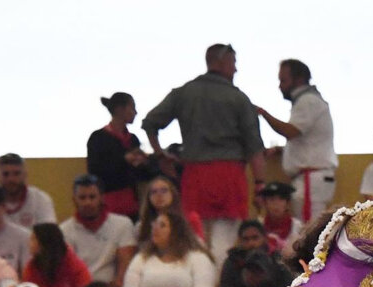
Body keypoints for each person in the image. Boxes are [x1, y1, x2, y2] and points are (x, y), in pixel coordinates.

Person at [142, 43, 267, 264]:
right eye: (233, 63)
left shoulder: (183, 93)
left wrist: (160, 154)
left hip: (194, 176)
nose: (235, 69)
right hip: (230, 176)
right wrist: (259, 185)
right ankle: (219, 283)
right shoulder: (238, 98)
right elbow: (255, 148)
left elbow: (150, 123)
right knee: (226, 244)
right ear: (221, 62)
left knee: (194, 240)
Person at [254, 59, 337, 222]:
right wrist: (282, 151)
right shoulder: (310, 101)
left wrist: (264, 114)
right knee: (307, 226)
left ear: (298, 79)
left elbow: (290, 131)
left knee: (309, 228)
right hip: (311, 178)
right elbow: (308, 141)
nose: (280, 86)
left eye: (283, 80)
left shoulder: (308, 101)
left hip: (311, 180)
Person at [59, 175, 137, 287]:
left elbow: (124, 270)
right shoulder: (64, 230)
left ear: (102, 198)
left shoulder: (123, 224)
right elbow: (68, 270)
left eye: (92, 197)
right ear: (74, 200)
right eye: (82, 198)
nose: (87, 202)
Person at [87, 92, 155, 219]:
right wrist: (124, 160)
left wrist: (144, 162)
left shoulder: (133, 139)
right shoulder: (98, 138)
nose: (135, 112)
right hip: (107, 202)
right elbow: (94, 170)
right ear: (119, 109)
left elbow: (140, 174)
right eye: (132, 108)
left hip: (131, 203)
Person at [21, 223, 92, 287]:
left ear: (44, 243)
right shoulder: (31, 267)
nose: (29, 243)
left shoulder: (75, 265)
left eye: (33, 239)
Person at [137, 175, 205, 243]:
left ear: (173, 194)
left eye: (164, 190)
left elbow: (199, 245)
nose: (159, 195)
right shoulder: (142, 225)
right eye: (154, 192)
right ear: (148, 198)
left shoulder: (190, 218)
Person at [0, 153, 57, 230]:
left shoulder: (40, 199)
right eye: (6, 174)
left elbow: (49, 233)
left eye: (16, 174)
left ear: (25, 175)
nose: (11, 179)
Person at [259, 181, 303, 255]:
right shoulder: (259, 225)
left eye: (281, 199)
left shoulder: (298, 226)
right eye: (271, 200)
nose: (276, 204)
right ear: (265, 204)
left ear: (287, 203)